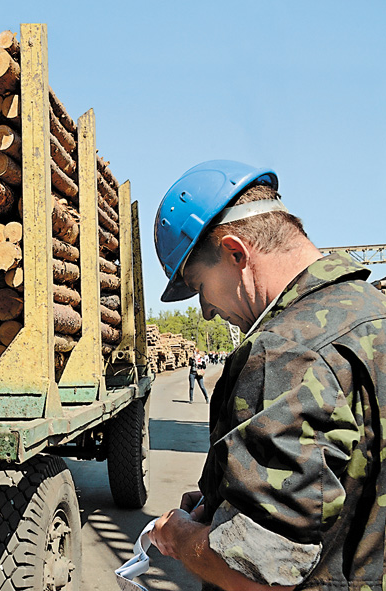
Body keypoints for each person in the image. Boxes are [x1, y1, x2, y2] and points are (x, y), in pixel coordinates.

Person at [148, 160, 386, 590]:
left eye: (200, 287)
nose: (205, 312)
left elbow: (258, 574)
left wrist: (180, 536)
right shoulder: (373, 312)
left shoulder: (285, 353)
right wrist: (225, 499)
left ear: (236, 252)